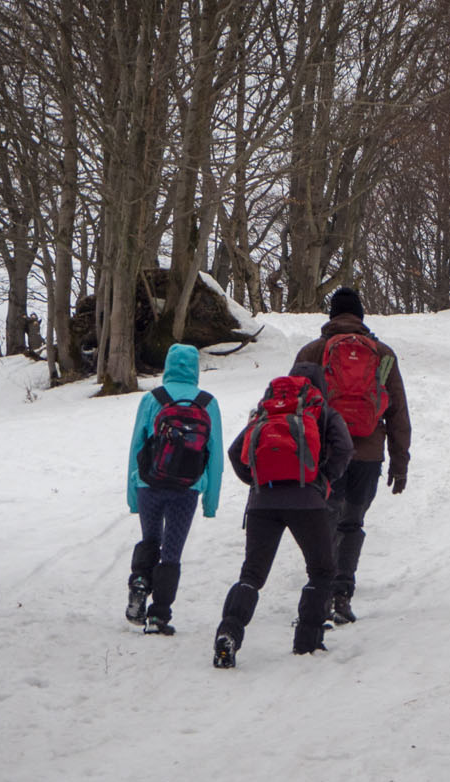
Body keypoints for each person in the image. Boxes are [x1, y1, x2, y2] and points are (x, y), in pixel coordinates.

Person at [212, 375, 354, 667]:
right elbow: (344, 448)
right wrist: (323, 480)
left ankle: (229, 632)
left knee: (251, 574)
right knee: (322, 570)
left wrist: (256, 482)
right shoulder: (322, 410)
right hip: (308, 502)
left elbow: (235, 452)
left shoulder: (267, 410)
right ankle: (307, 641)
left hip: (263, 501)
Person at [292, 286, 411, 626]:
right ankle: (342, 596)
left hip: (325, 454)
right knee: (352, 523)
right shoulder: (383, 355)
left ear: (331, 315)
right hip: (368, 456)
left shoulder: (312, 352)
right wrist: (400, 462)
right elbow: (398, 412)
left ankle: (321, 594)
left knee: (325, 521)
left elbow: (289, 406)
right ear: (361, 316)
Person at [125, 343, 224, 635]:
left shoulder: (153, 398)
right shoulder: (207, 402)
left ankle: (140, 582)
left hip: (149, 484)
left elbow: (136, 447)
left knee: (150, 538)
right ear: (195, 369)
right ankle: (159, 617)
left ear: (168, 365)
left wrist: (133, 495)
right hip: (187, 488)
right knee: (171, 551)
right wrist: (211, 502)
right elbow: (215, 456)